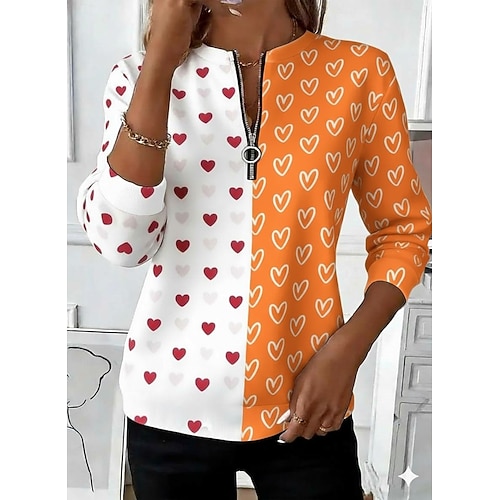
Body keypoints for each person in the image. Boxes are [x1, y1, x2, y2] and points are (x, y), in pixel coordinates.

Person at [76, 0, 432, 498]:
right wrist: (159, 63)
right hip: (169, 404)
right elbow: (121, 242)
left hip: (310, 400)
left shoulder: (359, 72)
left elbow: (403, 230)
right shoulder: (137, 76)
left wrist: (347, 354)